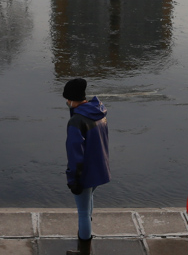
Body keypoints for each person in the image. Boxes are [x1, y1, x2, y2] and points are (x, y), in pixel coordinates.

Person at [63, 77, 110, 255]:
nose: (67, 102)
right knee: (89, 203)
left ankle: (84, 252)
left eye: (68, 99)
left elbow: (75, 154)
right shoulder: (99, 112)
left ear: (74, 99)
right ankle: (86, 241)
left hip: (85, 173)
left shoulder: (76, 122)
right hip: (100, 168)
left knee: (82, 212)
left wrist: (73, 178)